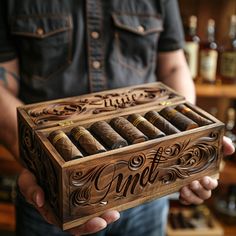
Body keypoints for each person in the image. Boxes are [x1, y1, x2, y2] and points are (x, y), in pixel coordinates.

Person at [0, 0, 234, 236]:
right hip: (48, 199)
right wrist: (38, 162)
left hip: (149, 196)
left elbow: (174, 66)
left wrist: (189, 142)